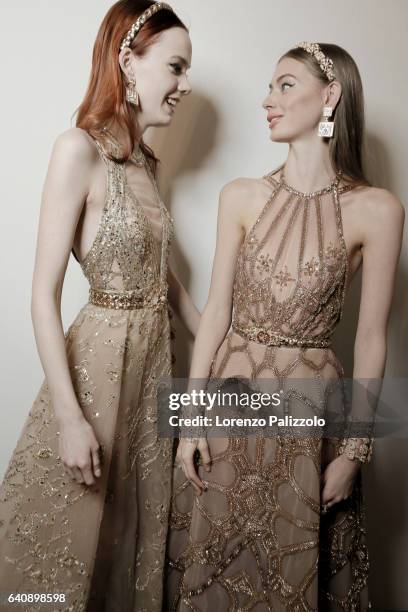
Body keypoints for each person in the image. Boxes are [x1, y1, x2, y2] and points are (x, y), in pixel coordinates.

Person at [165, 42, 405, 610]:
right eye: (270, 88)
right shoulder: (240, 196)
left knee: (293, 574)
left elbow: (372, 338)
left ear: (331, 95)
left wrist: (353, 452)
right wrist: (191, 421)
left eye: (284, 85)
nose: (267, 100)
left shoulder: (378, 209)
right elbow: (217, 313)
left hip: (311, 419)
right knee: (216, 568)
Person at [0, 1, 200, 610]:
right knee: (64, 553)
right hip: (95, 377)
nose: (185, 85)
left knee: (128, 548)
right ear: (128, 63)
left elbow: (169, 287)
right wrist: (68, 417)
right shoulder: (77, 150)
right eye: (175, 66)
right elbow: (42, 296)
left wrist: (228, 355)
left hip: (152, 378)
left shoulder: (146, 164)